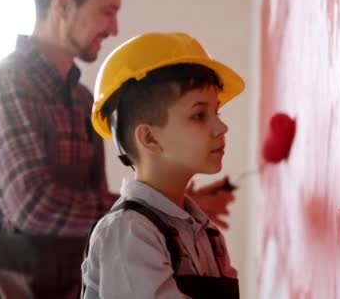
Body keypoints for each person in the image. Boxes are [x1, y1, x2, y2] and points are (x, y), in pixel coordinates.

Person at [0, 0, 233, 298]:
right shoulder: (4, 86)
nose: (113, 28)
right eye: (106, 10)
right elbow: (32, 206)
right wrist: (160, 208)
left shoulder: (81, 100)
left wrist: (174, 206)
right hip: (3, 287)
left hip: (62, 285)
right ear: (62, 4)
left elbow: (102, 203)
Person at [81, 32, 242, 298]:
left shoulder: (206, 234)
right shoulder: (129, 233)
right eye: (200, 115)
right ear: (150, 138)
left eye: (217, 112)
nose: (221, 127)